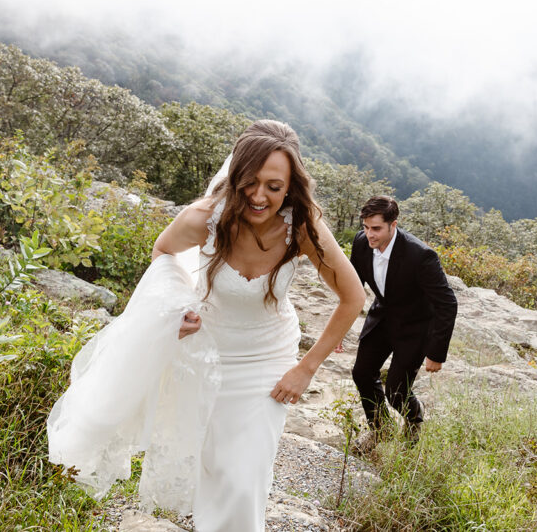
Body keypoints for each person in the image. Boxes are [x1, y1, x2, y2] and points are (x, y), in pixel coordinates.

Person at [48, 120, 365, 532]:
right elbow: (163, 252)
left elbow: (353, 297)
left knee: (244, 472)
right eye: (251, 182)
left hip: (269, 360)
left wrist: (306, 368)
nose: (259, 195)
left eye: (274, 186)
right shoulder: (204, 219)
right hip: (211, 353)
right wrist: (178, 307)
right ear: (236, 177)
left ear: (290, 187)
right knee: (214, 467)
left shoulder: (301, 227)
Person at [349, 195, 458, 448]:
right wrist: (338, 331)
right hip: (382, 317)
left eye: (376, 228)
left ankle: (414, 421)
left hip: (415, 326)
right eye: (365, 227)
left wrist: (436, 353)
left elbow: (447, 303)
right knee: (362, 373)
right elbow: (353, 289)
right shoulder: (361, 242)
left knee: (396, 391)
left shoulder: (421, 255)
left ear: (393, 225)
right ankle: (381, 430)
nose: (369, 235)